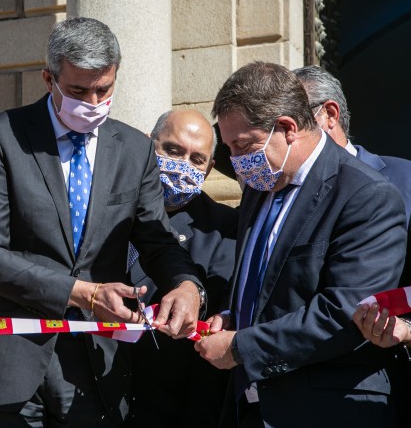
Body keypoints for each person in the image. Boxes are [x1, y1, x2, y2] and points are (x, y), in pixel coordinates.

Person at [0, 17, 206, 427]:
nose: (92, 101)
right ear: (48, 79)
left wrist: (187, 285)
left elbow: (157, 241)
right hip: (10, 359)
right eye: (77, 90)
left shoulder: (134, 149)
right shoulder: (1, 137)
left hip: (96, 362)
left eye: (103, 89)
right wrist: (82, 293)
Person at [195, 62, 407, 427]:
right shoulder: (261, 188)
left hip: (329, 410)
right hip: (251, 406)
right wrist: (232, 316)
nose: (236, 162)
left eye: (243, 146)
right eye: (229, 148)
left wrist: (240, 346)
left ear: (288, 128)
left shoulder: (365, 194)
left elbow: (343, 310)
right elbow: (266, 282)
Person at [126, 110, 238, 428]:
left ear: (209, 169)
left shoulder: (224, 229)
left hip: (165, 409)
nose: (182, 166)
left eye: (197, 159)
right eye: (173, 151)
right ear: (149, 146)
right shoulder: (108, 206)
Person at [293, 65, 411, 284]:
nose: (287, 133)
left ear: (329, 114)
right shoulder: (282, 193)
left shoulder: (406, 178)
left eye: (294, 119)